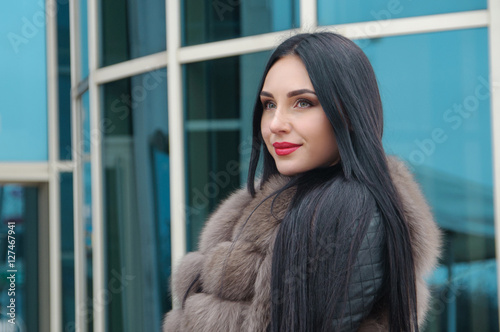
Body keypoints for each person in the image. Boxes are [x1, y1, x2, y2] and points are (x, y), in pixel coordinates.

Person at [163, 32, 441, 331]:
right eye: (269, 105)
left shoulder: (346, 208)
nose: (276, 124)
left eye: (303, 103)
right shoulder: (272, 202)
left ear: (348, 112)